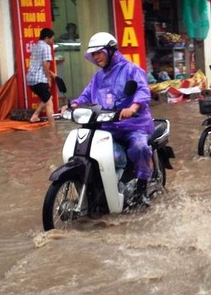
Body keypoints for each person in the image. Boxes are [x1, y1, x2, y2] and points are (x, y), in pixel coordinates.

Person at [63, 32, 155, 206]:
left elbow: (143, 91)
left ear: (110, 51)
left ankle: (142, 189)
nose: (96, 57)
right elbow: (86, 95)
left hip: (132, 125)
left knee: (140, 148)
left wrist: (132, 108)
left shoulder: (131, 69)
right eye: (94, 54)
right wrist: (73, 105)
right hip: (107, 126)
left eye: (99, 52)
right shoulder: (98, 77)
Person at [26, 27, 56, 123]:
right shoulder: (46, 47)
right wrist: (49, 79)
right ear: (47, 38)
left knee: (47, 98)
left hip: (31, 79)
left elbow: (37, 63)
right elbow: (45, 64)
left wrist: (51, 73)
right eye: (52, 39)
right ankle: (53, 128)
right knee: (49, 103)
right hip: (39, 79)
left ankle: (35, 116)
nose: (52, 42)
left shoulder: (35, 46)